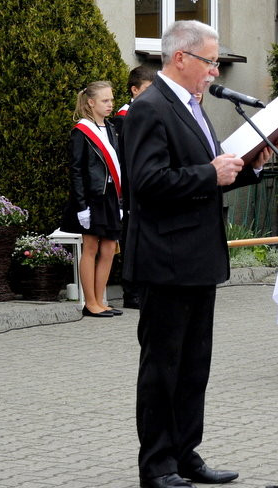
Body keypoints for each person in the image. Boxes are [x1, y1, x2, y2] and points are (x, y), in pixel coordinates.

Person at [121, 20, 276, 488]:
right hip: (166, 259)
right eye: (210, 61)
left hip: (197, 257)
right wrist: (210, 172)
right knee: (163, 366)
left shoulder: (192, 105)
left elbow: (209, 176)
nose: (215, 70)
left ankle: (186, 453)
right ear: (181, 58)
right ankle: (156, 464)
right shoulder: (150, 108)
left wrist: (250, 167)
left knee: (194, 365)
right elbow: (147, 183)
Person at [60, 81, 123, 318]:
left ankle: (101, 301)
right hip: (91, 199)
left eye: (111, 100)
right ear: (91, 102)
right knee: (91, 248)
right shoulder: (81, 131)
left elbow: (117, 167)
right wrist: (81, 206)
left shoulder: (111, 128)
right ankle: (90, 303)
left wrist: (119, 202)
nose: (110, 104)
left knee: (108, 248)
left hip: (110, 197)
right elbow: (75, 171)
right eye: (105, 100)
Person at [112, 66, 157, 309]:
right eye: (148, 90)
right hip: (130, 188)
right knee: (131, 239)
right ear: (134, 90)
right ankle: (131, 292)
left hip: (146, 185)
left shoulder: (148, 112)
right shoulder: (123, 117)